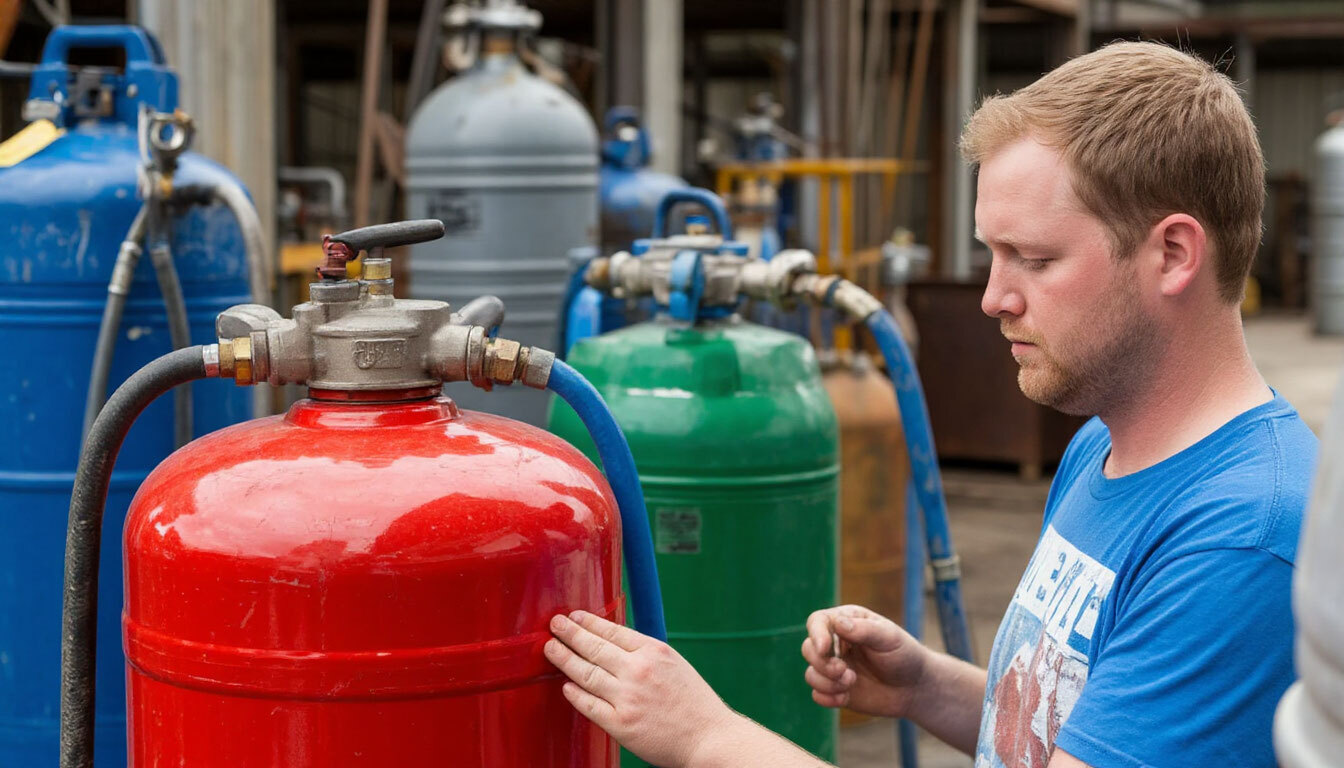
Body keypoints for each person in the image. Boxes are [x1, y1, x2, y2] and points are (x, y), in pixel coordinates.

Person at [543, 41, 1318, 768]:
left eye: (1035, 259)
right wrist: (929, 688)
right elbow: (1085, 722)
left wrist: (707, 736)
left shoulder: (1240, 541)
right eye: (991, 252)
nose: (993, 297)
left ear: (1173, 254)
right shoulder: (1106, 444)